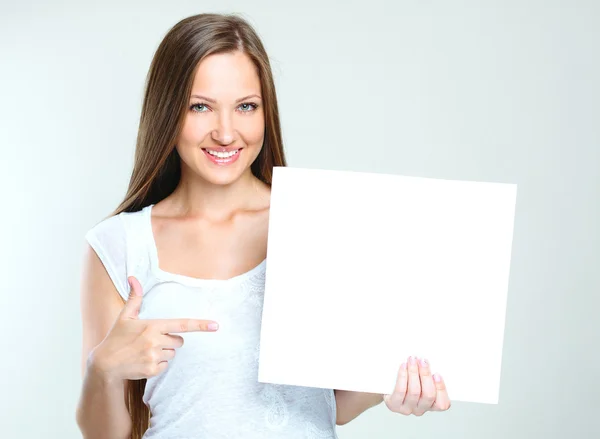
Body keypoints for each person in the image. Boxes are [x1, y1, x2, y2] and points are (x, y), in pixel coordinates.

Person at [75, 12, 451, 439]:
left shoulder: (320, 224)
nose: (225, 132)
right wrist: (103, 369)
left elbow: (335, 407)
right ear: (167, 112)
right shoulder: (118, 245)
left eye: (245, 107)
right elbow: (105, 435)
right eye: (200, 106)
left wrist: (392, 380)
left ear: (265, 111)